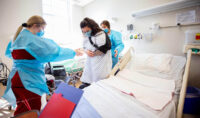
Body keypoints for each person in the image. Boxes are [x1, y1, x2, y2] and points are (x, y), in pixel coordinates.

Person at [3, 15, 82, 116]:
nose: (43, 32)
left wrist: (29, 61)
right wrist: (73, 52)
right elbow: (55, 52)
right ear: (36, 26)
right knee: (29, 110)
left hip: (17, 77)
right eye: (43, 28)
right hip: (28, 81)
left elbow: (9, 54)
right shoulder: (32, 40)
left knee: (23, 106)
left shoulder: (17, 37)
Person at [79, 17, 112, 89]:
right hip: (90, 61)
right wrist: (86, 51)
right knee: (88, 78)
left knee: (99, 81)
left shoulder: (101, 34)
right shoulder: (86, 35)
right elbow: (84, 47)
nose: (86, 33)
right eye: (83, 31)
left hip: (101, 61)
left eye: (87, 31)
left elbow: (105, 48)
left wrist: (94, 53)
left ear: (92, 27)